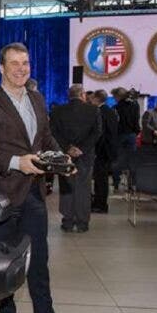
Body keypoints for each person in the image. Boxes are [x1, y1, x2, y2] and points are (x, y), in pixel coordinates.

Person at [0, 42, 79, 313]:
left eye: (26, 63)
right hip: (4, 193)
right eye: (14, 63)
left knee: (40, 257)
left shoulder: (37, 98)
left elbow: (44, 138)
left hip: (33, 193)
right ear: (1, 69)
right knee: (7, 260)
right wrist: (18, 162)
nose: (21, 69)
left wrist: (61, 158)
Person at [50, 85, 101, 232]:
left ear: (69, 95)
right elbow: (97, 132)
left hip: (65, 155)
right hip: (86, 156)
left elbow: (53, 132)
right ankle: (82, 223)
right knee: (84, 189)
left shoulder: (57, 111)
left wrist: (68, 148)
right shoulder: (93, 110)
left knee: (66, 187)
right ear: (82, 95)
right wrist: (82, 149)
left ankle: (67, 221)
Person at [90, 90, 119, 214]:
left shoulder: (99, 112)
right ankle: (100, 202)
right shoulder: (111, 111)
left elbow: (100, 133)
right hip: (109, 149)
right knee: (102, 178)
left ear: (97, 99)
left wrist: (95, 149)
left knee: (100, 179)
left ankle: (100, 205)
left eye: (92, 98)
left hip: (102, 150)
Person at [111, 87, 140, 190]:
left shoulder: (116, 107)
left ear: (118, 96)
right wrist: (136, 132)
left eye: (114, 97)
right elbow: (136, 120)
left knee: (117, 160)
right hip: (132, 135)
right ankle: (132, 184)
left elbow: (114, 123)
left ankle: (116, 183)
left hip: (120, 135)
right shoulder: (135, 105)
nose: (114, 99)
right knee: (132, 160)